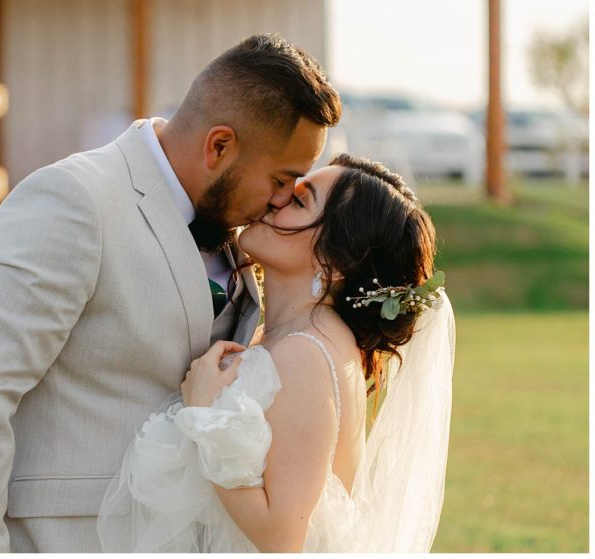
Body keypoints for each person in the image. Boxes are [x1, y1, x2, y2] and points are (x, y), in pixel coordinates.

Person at [0, 33, 342, 552]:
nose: (282, 202)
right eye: (281, 179)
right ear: (219, 146)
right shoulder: (76, 200)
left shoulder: (234, 227)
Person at [97, 154, 455, 552]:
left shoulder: (307, 354)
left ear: (336, 261)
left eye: (299, 202)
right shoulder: (290, 338)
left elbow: (282, 535)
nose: (275, 199)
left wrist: (202, 416)